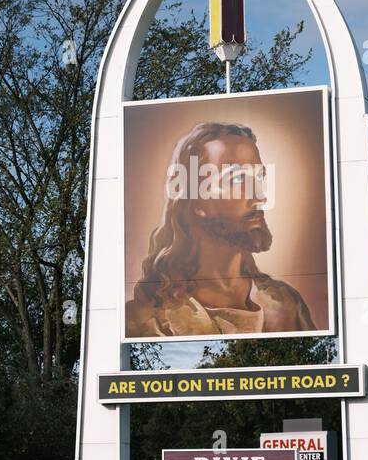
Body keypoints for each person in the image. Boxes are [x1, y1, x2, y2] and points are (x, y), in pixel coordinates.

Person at [126, 120, 315, 337]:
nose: (260, 197)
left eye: (259, 177)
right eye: (237, 179)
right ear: (195, 200)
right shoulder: (146, 320)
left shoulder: (287, 304)